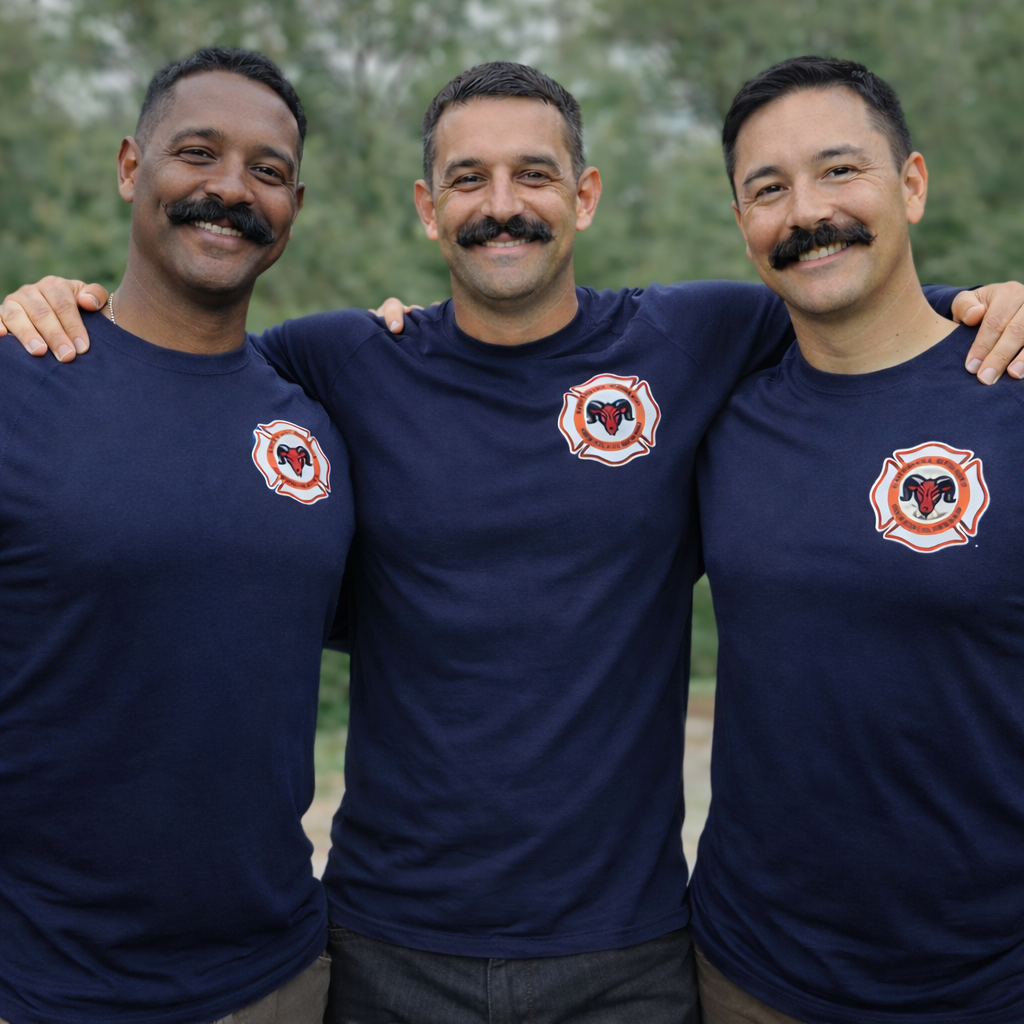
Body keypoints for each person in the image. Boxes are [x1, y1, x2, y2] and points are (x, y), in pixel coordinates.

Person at [4, 61, 1024, 1024]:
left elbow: (856, 309)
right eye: (468, 179)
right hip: (381, 945)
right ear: (425, 207)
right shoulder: (337, 361)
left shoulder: (698, 341)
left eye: (532, 175)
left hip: (630, 954)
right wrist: (58, 308)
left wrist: (979, 305)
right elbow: (181, 370)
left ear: (580, 196)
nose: (502, 204)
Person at [0, 47, 353, 1024]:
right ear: (129, 167)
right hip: (46, 988)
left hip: (284, 979)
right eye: (197, 153)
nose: (230, 190)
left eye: (268, 172)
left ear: (293, 203)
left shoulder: (314, 421)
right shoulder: (19, 378)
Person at [688, 56, 1024, 1024]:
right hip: (749, 974)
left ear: (910, 185)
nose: (805, 212)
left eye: (841, 171)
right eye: (767, 188)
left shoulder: (1010, 395)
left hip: (990, 981)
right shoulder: (717, 416)